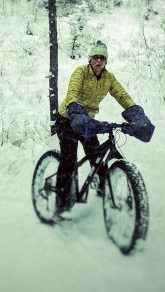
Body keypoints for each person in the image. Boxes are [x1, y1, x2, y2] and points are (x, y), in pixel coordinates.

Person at [54, 40, 154, 217]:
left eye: (102, 58)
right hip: (67, 119)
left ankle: (103, 187)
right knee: (69, 160)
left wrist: (136, 115)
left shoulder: (109, 78)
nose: (98, 61)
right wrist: (75, 110)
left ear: (106, 61)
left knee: (97, 156)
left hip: (86, 121)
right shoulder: (80, 72)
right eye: (95, 58)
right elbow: (72, 94)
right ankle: (61, 206)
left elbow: (123, 96)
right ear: (90, 60)